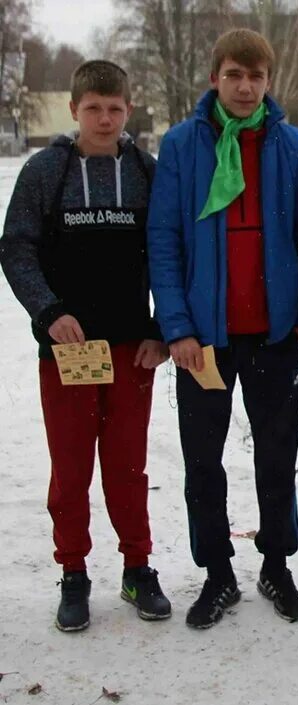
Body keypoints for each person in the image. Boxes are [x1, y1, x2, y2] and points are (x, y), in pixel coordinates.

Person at [147, 28, 298, 629]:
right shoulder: (181, 146)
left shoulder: (293, 147)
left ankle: (276, 562)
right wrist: (177, 328)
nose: (245, 87)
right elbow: (164, 241)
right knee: (203, 461)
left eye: (256, 76)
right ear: (214, 79)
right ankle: (217, 573)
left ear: (269, 81)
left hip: (275, 336)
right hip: (205, 339)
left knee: (278, 458)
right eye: (233, 75)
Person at [0, 60, 171, 632]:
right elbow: (16, 248)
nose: (104, 118)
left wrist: (161, 329)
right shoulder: (45, 171)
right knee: (70, 469)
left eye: (114, 108)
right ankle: (73, 572)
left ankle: (137, 567)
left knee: (127, 467)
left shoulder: (148, 171)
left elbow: (171, 253)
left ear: (128, 111)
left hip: (130, 351)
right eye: (93, 108)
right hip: (70, 354)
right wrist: (48, 311)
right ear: (74, 109)